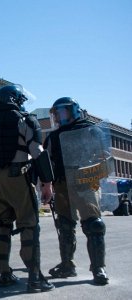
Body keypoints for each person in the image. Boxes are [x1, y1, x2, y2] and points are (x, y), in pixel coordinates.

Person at [0, 85, 55, 293]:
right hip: (18, 178)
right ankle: (35, 278)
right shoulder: (25, 119)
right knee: (29, 226)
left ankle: (5, 274)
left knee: (1, 226)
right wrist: (47, 183)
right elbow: (38, 152)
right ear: (14, 99)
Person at [42, 97, 109, 285]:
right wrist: (46, 185)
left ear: (73, 111)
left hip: (86, 181)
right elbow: (47, 162)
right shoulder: (54, 136)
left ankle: (98, 268)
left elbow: (105, 155)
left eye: (61, 112)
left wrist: (98, 170)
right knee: (64, 225)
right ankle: (67, 265)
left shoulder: (90, 130)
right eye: (55, 113)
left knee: (94, 225)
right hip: (62, 183)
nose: (58, 116)